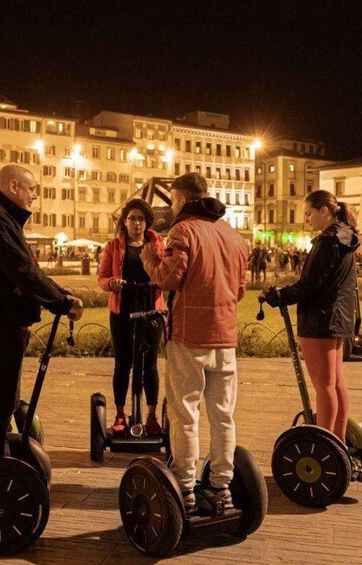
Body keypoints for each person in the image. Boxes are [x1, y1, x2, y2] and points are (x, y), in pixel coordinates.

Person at [139, 172, 248, 513]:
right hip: (225, 336)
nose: (171, 207)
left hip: (189, 335)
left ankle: (184, 487)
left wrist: (149, 258)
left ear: (183, 199)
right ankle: (221, 486)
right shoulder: (234, 236)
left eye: (173, 201)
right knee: (222, 415)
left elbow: (168, 279)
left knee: (185, 413)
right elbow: (240, 289)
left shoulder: (183, 231)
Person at [0, 164, 83, 461]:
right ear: (14, 186)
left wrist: (62, 295)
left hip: (3, 322)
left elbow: (29, 269)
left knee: (3, 402)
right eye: (31, 189)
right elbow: (21, 270)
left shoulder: (2, 219)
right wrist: (61, 303)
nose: (34, 196)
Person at [260, 190, 359, 447]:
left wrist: (278, 296)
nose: (306, 219)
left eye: (308, 213)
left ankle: (324, 443)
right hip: (339, 318)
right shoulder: (346, 236)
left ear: (324, 210)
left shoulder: (327, 242)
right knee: (335, 383)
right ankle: (338, 439)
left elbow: (309, 285)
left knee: (324, 385)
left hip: (320, 319)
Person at [97, 198, 166, 436]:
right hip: (122, 309)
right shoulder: (113, 247)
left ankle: (151, 416)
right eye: (132, 218)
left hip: (151, 309)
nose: (136, 223)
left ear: (147, 222)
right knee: (123, 363)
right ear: (124, 221)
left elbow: (166, 271)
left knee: (150, 365)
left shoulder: (157, 245)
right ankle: (119, 414)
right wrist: (112, 283)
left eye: (141, 218)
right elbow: (102, 278)